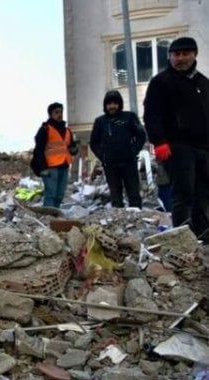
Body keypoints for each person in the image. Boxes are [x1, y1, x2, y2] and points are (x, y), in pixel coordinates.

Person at [143, 36, 209, 241]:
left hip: (204, 146)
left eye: (185, 54)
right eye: (176, 54)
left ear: (194, 55)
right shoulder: (161, 82)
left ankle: (202, 234)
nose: (180, 58)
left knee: (204, 193)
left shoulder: (203, 83)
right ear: (170, 57)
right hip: (177, 145)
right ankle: (182, 235)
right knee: (184, 191)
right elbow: (152, 114)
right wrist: (159, 141)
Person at [89, 90, 146, 208]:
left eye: (115, 103)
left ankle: (136, 218)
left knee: (134, 194)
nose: (112, 106)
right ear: (105, 106)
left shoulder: (129, 117)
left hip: (129, 162)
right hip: (110, 164)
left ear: (119, 104)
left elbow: (141, 136)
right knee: (115, 196)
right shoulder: (100, 122)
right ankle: (119, 220)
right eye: (109, 104)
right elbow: (94, 143)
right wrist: (103, 156)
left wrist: (133, 151)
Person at [31, 102, 77, 208]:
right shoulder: (45, 129)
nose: (59, 114)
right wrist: (42, 168)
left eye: (61, 112)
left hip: (64, 167)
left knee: (59, 195)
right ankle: (49, 218)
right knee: (51, 194)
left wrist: (74, 150)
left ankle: (55, 216)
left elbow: (72, 148)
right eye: (56, 112)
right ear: (50, 114)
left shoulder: (67, 131)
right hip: (50, 168)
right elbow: (39, 150)